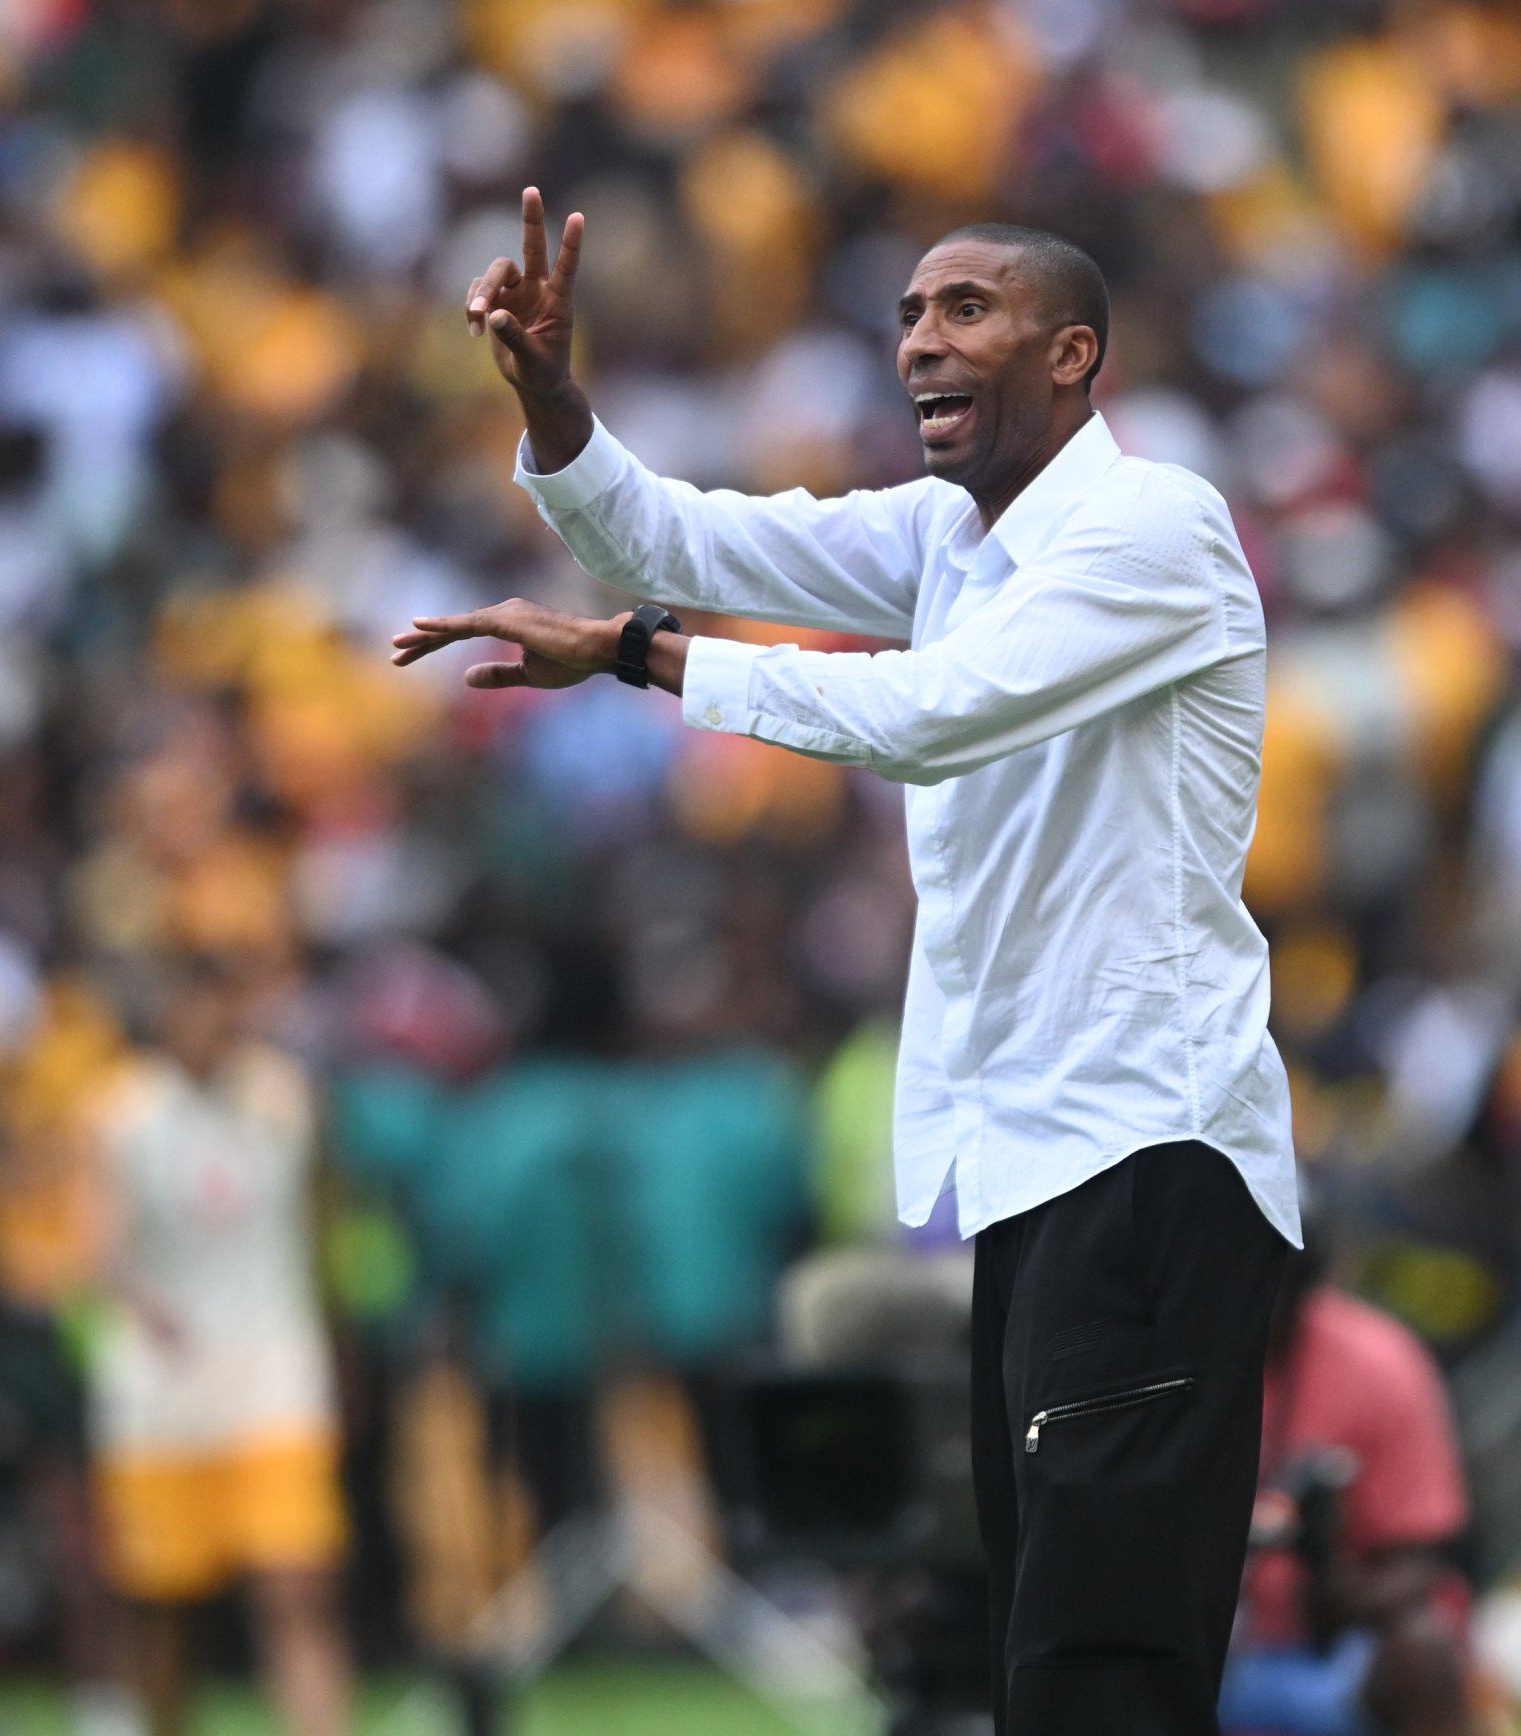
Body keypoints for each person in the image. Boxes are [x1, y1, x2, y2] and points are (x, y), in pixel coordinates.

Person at [399, 189, 1301, 1735]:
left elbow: (923, 716)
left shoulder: (1155, 526)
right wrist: (555, 407)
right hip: (1040, 1166)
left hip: (1150, 1153)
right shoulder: (952, 537)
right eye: (907, 315)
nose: (919, 342)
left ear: (1075, 354)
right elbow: (674, 536)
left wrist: (631, 653)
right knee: (1042, 1661)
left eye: (966, 311)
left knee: (1105, 1671)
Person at [83, 958, 353, 1736]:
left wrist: (337, 1341)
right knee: (161, 1606)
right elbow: (96, 1244)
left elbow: (320, 1226)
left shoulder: (286, 1101)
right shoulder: (119, 1114)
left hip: (273, 1375)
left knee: (297, 1584)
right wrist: (139, 1304)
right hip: (159, 1392)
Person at [1222, 1200, 1474, 1736]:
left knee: (1422, 1646)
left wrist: (1329, 1573)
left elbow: (1424, 1562)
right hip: (1203, 1647)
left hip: (1334, 1653)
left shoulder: (1379, 1362)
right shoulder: (1169, 1359)